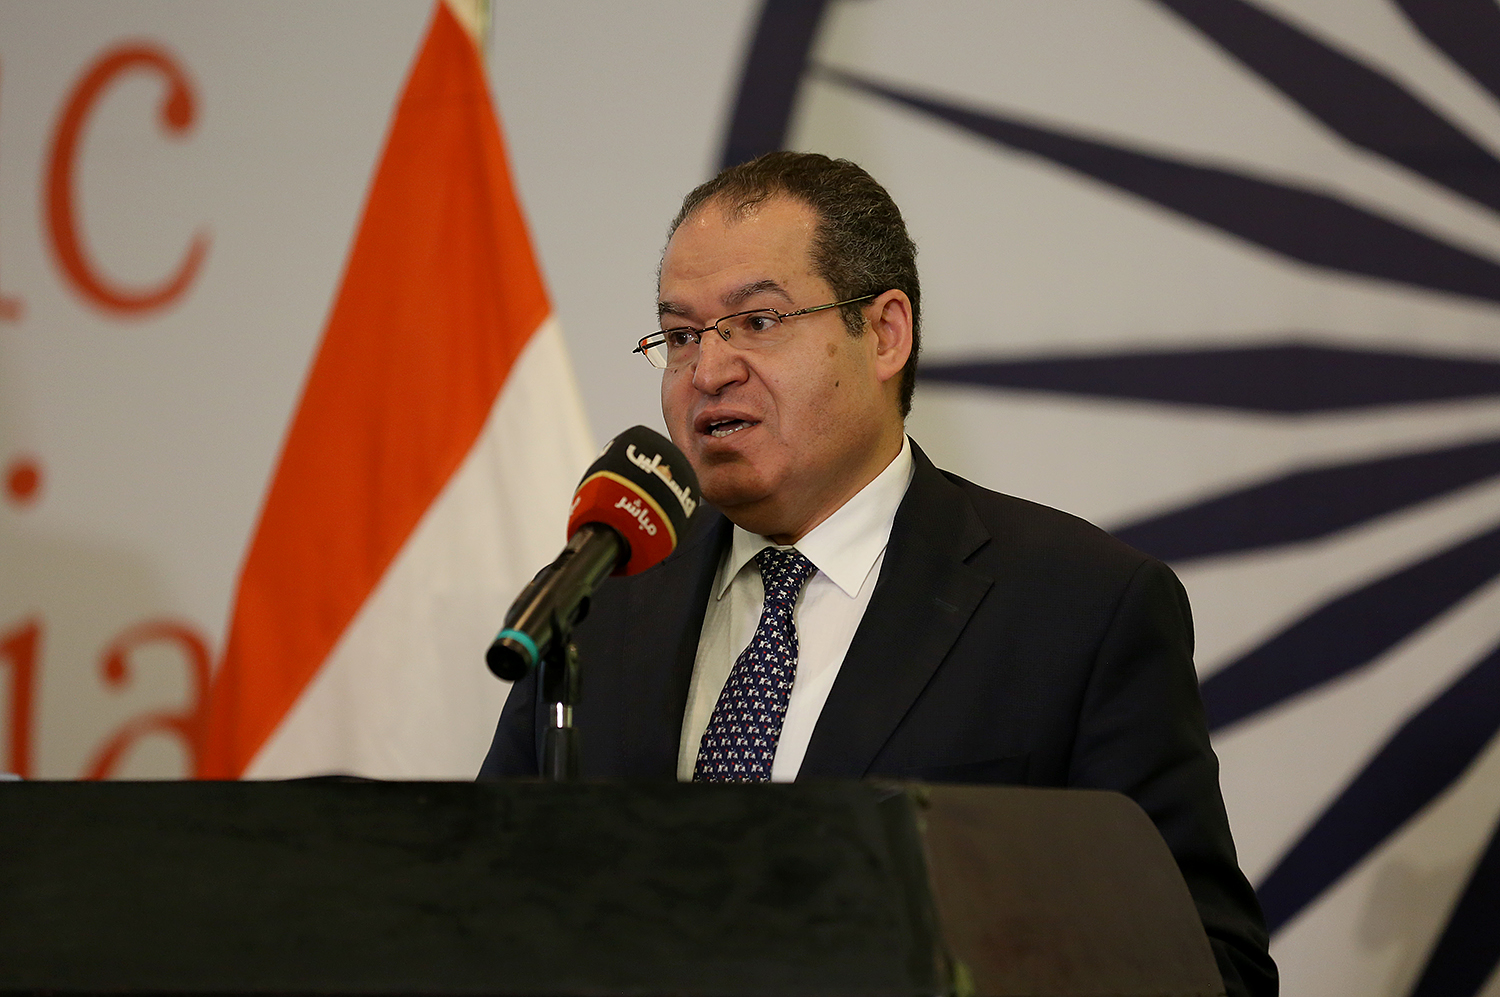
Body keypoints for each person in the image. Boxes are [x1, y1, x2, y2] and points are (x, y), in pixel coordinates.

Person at [481, 151, 1277, 996]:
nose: (708, 372)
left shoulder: (1081, 609)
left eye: (758, 321)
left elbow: (1206, 963)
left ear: (886, 333)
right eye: (681, 336)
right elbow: (470, 909)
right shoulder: (600, 596)